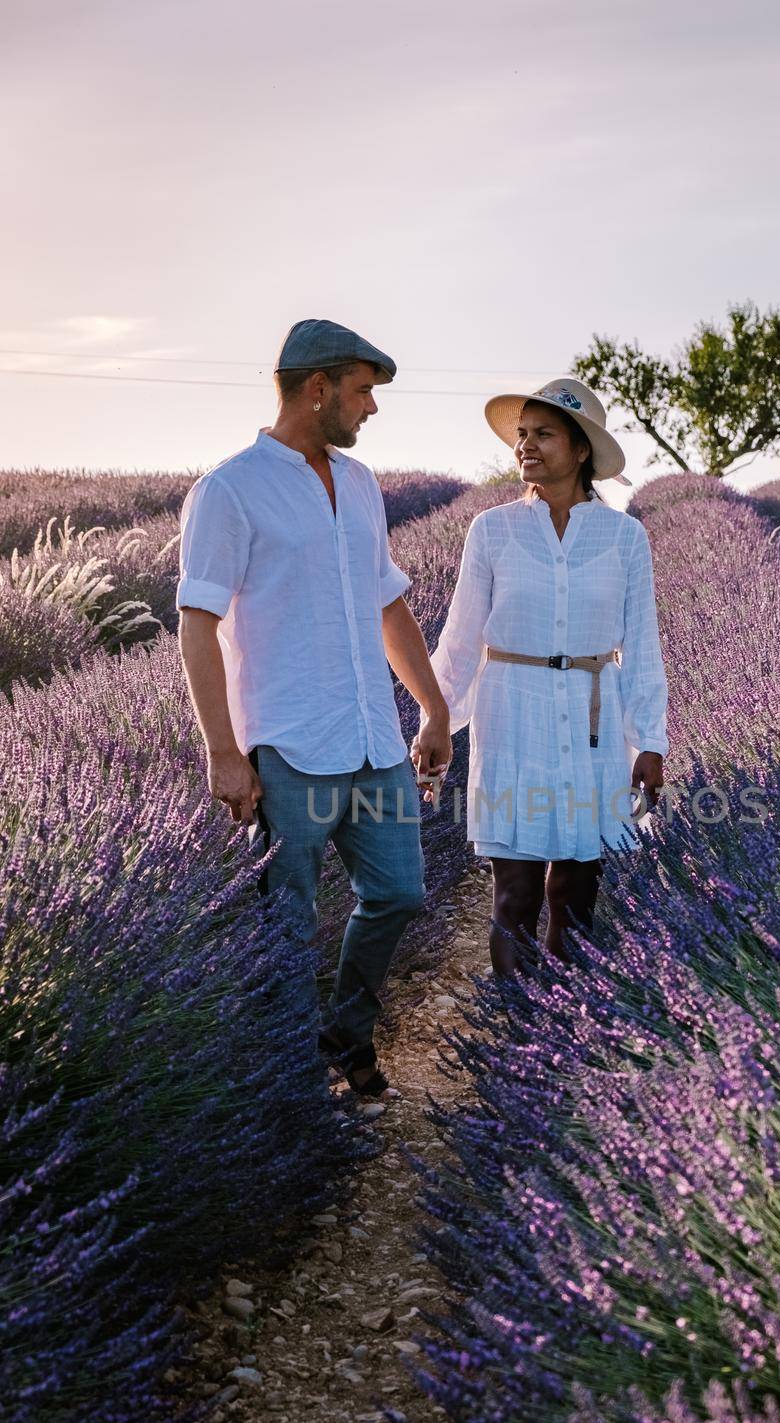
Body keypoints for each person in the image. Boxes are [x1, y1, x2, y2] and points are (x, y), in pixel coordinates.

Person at [176, 317, 452, 1097]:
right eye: (363, 391)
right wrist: (222, 751)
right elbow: (195, 626)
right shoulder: (228, 489)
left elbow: (388, 604)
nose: (372, 408)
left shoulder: (360, 484)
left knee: (400, 894)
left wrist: (429, 707)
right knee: (284, 931)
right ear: (318, 386)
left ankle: (345, 1036)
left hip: (373, 738)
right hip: (288, 747)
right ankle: (289, 1088)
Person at [412, 377, 668, 977]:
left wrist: (650, 739)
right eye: (522, 435)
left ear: (581, 450)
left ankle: (561, 1038)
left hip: (593, 722)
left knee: (576, 899)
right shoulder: (492, 529)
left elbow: (643, 644)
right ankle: (512, 1031)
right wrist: (438, 717)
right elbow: (461, 636)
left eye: (543, 435)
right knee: (515, 896)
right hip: (512, 717)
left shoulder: (625, 537)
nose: (526, 446)